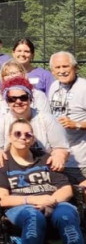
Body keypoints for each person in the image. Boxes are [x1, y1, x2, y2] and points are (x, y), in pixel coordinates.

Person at [0, 77, 69, 171]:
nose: (18, 101)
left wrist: (60, 156)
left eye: (23, 98)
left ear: (30, 99)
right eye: (12, 99)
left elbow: (62, 147)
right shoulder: (1, 123)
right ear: (7, 102)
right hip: (12, 172)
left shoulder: (46, 119)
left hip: (44, 170)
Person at [47, 52, 86, 189]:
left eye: (65, 66)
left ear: (74, 67)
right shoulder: (53, 87)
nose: (62, 71)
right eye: (57, 67)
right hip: (60, 160)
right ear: (52, 71)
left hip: (81, 162)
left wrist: (77, 124)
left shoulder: (84, 87)